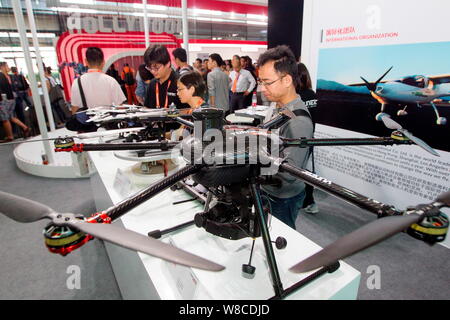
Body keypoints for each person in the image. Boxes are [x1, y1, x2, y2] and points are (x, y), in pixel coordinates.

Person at [257, 45, 314, 229]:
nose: (262, 88)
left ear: (287, 80)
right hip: (268, 190)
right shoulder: (277, 107)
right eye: (261, 82)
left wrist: (251, 166)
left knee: (280, 244)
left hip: (282, 197)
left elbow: (291, 171)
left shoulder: (298, 120)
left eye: (267, 82)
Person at [68, 47, 126, 131]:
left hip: (87, 128)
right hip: (108, 128)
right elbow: (120, 108)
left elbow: (75, 110)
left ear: (86, 61)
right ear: (103, 62)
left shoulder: (77, 82)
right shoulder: (111, 81)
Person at [296, 62, 319, 214]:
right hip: (309, 137)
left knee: (298, 171)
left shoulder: (297, 97)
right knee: (306, 170)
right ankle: (309, 201)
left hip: (297, 139)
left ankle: (306, 201)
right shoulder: (312, 94)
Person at [143, 44, 189, 110]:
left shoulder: (181, 82)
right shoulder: (152, 84)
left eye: (156, 68)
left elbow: (190, 110)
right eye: (150, 68)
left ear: (168, 63)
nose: (153, 71)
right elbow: (146, 107)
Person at [0, 62, 30, 142]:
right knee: (11, 117)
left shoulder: (1, 75)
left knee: (5, 119)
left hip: (4, 100)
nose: (8, 67)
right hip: (12, 98)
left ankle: (10, 136)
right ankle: (25, 127)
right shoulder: (6, 76)